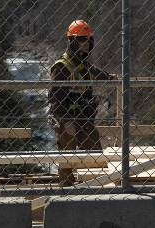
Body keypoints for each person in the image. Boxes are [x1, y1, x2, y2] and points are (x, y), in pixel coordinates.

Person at [48, 19, 116, 186]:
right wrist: (66, 121)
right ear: (72, 41)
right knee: (67, 162)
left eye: (87, 40)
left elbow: (97, 72)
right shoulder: (62, 67)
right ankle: (65, 193)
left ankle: (96, 188)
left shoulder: (84, 65)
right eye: (80, 39)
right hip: (68, 122)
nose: (85, 44)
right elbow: (55, 100)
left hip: (85, 120)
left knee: (96, 158)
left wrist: (111, 78)